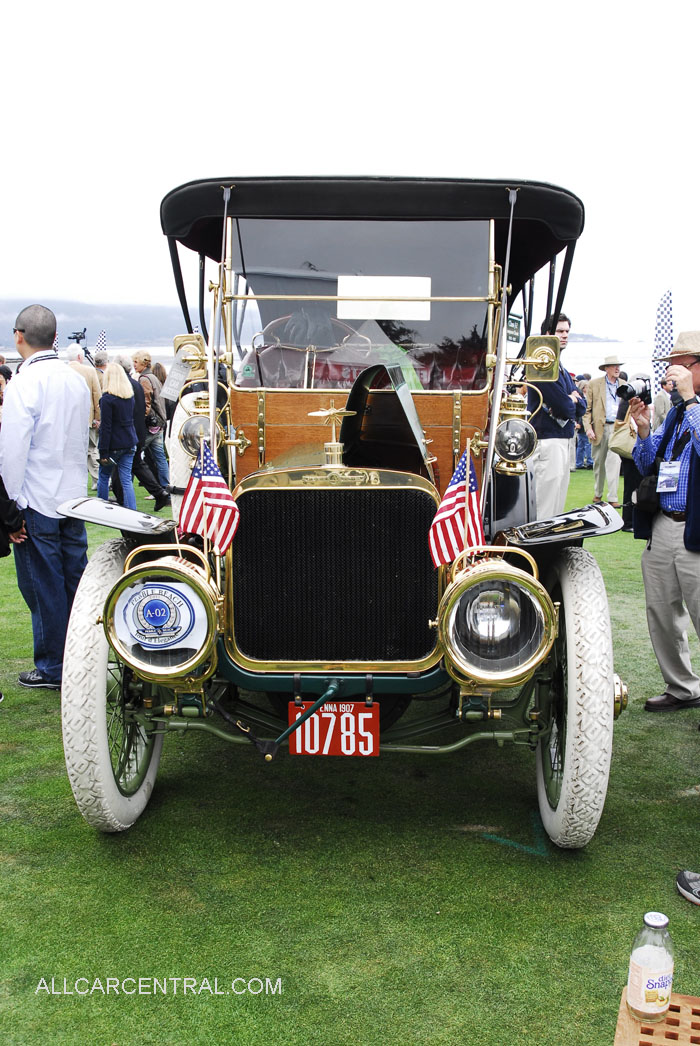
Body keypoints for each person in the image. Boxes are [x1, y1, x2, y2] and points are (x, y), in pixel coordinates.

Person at [0, 305, 90, 690]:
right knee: (73, 582)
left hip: (37, 498)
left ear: (18, 336)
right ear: (54, 338)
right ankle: (79, 657)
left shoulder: (25, 382)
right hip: (72, 495)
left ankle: (54, 666)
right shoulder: (76, 379)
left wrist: (10, 510)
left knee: (44, 586)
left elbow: (12, 451)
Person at [629, 330, 700, 712]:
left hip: (695, 528)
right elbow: (647, 463)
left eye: (680, 366)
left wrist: (690, 400)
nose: (671, 374)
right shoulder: (674, 412)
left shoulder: (688, 407)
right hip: (664, 524)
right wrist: (643, 430)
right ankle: (683, 688)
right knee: (662, 613)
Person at [527, 313, 586, 517]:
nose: (565, 335)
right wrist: (571, 400)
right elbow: (564, 407)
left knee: (556, 506)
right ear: (548, 334)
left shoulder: (560, 368)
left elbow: (581, 406)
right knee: (545, 508)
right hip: (547, 441)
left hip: (561, 439)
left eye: (567, 331)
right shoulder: (541, 366)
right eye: (560, 331)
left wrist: (572, 400)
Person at [112, 356, 170, 511]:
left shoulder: (133, 383)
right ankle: (159, 493)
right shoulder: (137, 384)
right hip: (140, 429)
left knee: (122, 465)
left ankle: (122, 498)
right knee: (138, 463)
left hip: (132, 431)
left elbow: (143, 407)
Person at [582, 355, 624, 507]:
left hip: (617, 428)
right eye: (614, 366)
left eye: (618, 365)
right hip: (599, 428)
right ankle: (598, 493)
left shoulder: (624, 385)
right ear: (606, 368)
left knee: (615, 462)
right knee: (599, 463)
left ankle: (613, 497)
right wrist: (588, 428)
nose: (617, 368)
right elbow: (586, 410)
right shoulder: (594, 384)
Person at [97, 363, 138, 510]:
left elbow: (106, 427)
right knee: (126, 479)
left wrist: (103, 451)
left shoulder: (107, 400)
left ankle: (101, 509)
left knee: (103, 476)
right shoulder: (129, 397)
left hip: (114, 444)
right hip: (129, 440)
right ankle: (131, 510)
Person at [132, 350, 170, 490]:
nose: (134, 364)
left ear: (143, 363)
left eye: (136, 362)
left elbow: (146, 403)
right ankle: (166, 486)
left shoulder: (144, 379)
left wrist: (140, 420)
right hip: (159, 422)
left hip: (150, 424)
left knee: (133, 455)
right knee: (160, 457)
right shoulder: (153, 377)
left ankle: (124, 485)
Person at [66, 344, 102, 487]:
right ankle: (98, 479)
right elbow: (97, 395)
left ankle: (72, 480)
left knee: (70, 451)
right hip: (88, 417)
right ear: (80, 356)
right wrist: (97, 417)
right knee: (92, 449)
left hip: (68, 419)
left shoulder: (63, 371)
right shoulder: (90, 371)